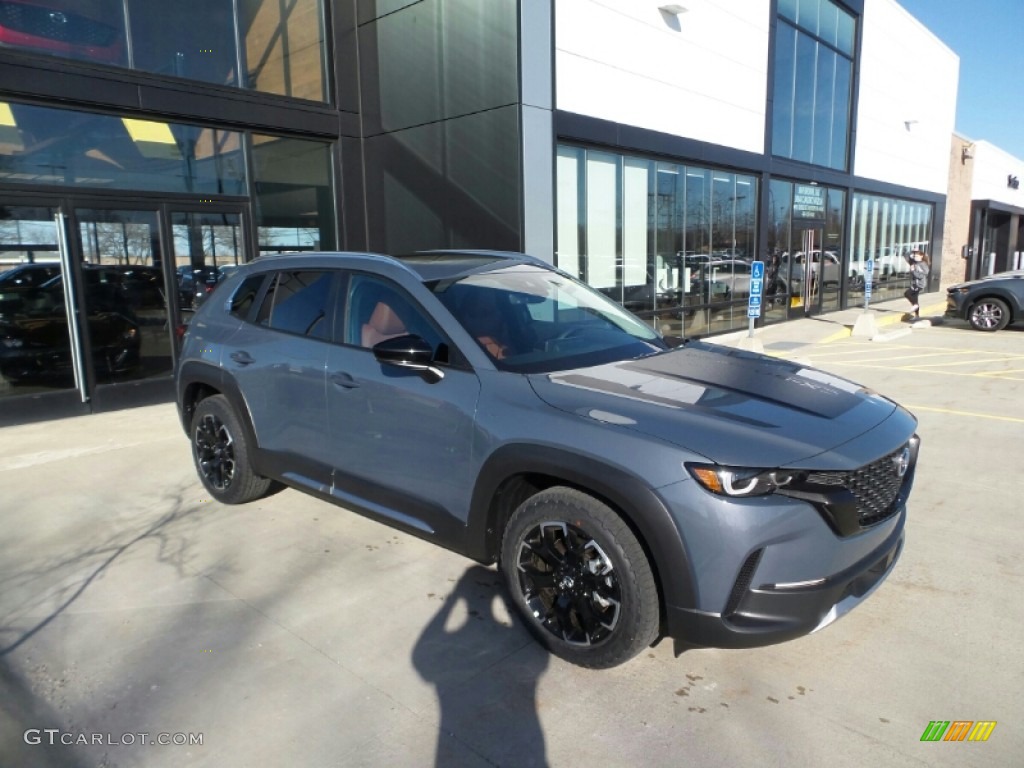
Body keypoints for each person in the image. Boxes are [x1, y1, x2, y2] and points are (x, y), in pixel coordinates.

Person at [903, 249, 931, 320]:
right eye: (914, 256)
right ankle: (917, 315)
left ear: (921, 256)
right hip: (914, 283)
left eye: (917, 256)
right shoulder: (913, 262)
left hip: (919, 284)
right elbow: (906, 255)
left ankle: (915, 306)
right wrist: (912, 251)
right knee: (915, 298)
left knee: (907, 294)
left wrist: (913, 271)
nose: (915, 257)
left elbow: (921, 276)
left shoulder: (923, 264)